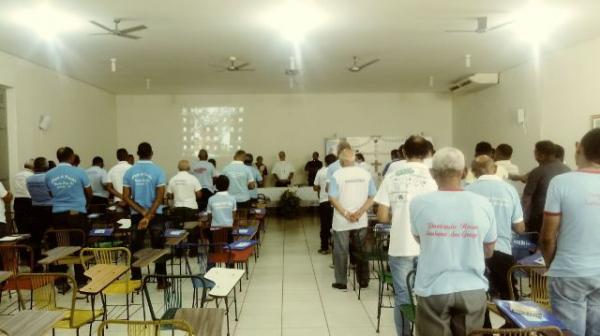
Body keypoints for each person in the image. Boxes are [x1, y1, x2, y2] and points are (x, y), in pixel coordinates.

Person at [410, 147, 496, 336]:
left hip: (433, 288)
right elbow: (489, 249)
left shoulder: (418, 203)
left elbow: (420, 239)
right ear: (465, 172)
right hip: (472, 288)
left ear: (432, 174)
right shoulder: (482, 204)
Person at [374, 135, 437, 336]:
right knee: (430, 297)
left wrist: (399, 213)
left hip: (401, 246)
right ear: (428, 153)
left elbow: (382, 216)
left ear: (403, 153)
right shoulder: (436, 176)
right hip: (431, 247)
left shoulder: (392, 176)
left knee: (403, 297)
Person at [540, 128, 600, 335]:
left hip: (569, 272)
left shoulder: (561, 183)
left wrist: (551, 264)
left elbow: (548, 237)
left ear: (579, 149)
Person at [465, 156, 525, 305]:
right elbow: (519, 228)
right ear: (494, 169)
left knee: (478, 298)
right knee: (510, 298)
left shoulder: (467, 190)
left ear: (473, 171)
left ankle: (483, 327)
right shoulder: (509, 190)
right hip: (502, 250)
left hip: (473, 252)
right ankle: (510, 327)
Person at [122, 142, 168, 288]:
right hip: (155, 215)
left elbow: (126, 197)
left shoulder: (129, 172)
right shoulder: (158, 171)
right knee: (158, 248)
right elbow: (160, 196)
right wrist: (149, 215)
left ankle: (136, 281)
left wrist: (142, 213)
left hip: (137, 215)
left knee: (135, 246)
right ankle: (161, 281)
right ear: (151, 153)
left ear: (137, 153)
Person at [329, 148, 376, 290]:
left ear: (341, 160)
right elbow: (373, 196)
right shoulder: (365, 174)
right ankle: (363, 280)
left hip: (342, 220)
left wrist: (345, 213)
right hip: (360, 220)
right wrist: (360, 212)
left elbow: (332, 197)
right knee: (361, 250)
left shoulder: (337, 175)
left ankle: (341, 281)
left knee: (341, 251)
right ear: (354, 159)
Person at [45, 146, 93, 286]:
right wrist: (85, 205)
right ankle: (81, 279)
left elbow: (50, 193)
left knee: (60, 247)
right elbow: (89, 193)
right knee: (79, 246)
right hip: (77, 213)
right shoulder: (79, 172)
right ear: (72, 157)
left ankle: (60, 281)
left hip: (58, 214)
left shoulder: (49, 174)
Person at [522, 141, 570, 233]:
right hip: (563, 217)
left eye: (535, 152)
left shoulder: (538, 171)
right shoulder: (568, 169)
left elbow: (526, 199)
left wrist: (523, 220)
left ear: (541, 155)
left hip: (540, 219)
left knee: (537, 245)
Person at [167, 160, 202, 255]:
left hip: (177, 208)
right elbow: (199, 195)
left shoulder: (173, 179)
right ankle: (193, 252)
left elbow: (169, 196)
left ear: (178, 168)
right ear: (189, 168)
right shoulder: (193, 178)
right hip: (191, 207)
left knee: (178, 231)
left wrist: (175, 200)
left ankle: (178, 253)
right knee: (193, 231)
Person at [26, 157, 53, 262]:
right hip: (50, 208)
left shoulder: (29, 179)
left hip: (35, 209)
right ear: (45, 166)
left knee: (36, 237)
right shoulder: (48, 178)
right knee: (52, 237)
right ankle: (53, 261)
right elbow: (53, 192)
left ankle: (36, 263)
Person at [313, 153, 337, 254]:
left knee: (325, 225)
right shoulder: (339, 171)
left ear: (325, 162)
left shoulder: (321, 171)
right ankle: (338, 248)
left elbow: (315, 187)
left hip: (324, 201)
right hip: (337, 202)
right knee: (337, 225)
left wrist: (320, 189)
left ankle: (324, 248)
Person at [207, 175, 237, 239]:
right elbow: (233, 216)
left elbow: (209, 216)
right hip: (228, 230)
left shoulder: (211, 199)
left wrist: (211, 224)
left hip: (215, 231)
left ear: (216, 186)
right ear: (228, 186)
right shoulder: (232, 199)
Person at [11, 159, 33, 234]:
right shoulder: (32, 175)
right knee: (30, 224)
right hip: (28, 201)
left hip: (17, 201)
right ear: (33, 167)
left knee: (20, 223)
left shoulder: (16, 175)